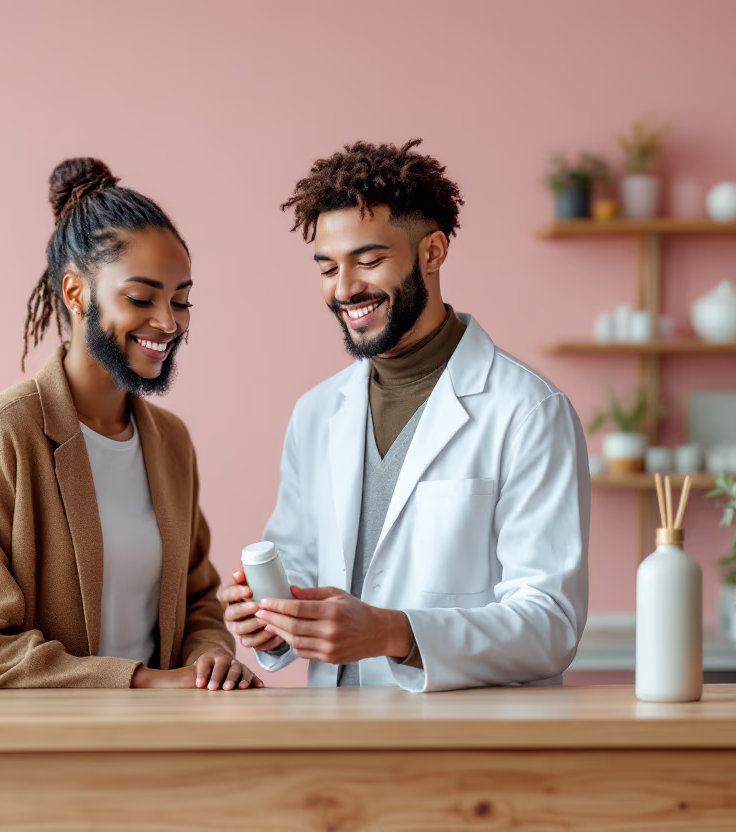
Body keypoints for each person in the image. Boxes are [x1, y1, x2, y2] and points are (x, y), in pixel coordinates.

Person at [220, 140, 589, 692]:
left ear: (432, 253)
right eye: (328, 268)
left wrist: (392, 633)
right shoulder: (316, 413)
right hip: (333, 730)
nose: (344, 289)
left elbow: (550, 625)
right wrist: (269, 620)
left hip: (460, 735)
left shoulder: (528, 411)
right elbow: (298, 569)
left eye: (368, 261)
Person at [0, 157, 257, 691]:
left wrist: (210, 657)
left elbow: (197, 598)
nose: (168, 322)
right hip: (37, 740)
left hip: (163, 735)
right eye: (141, 298)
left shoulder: (170, 442)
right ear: (76, 292)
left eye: (181, 301)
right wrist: (145, 682)